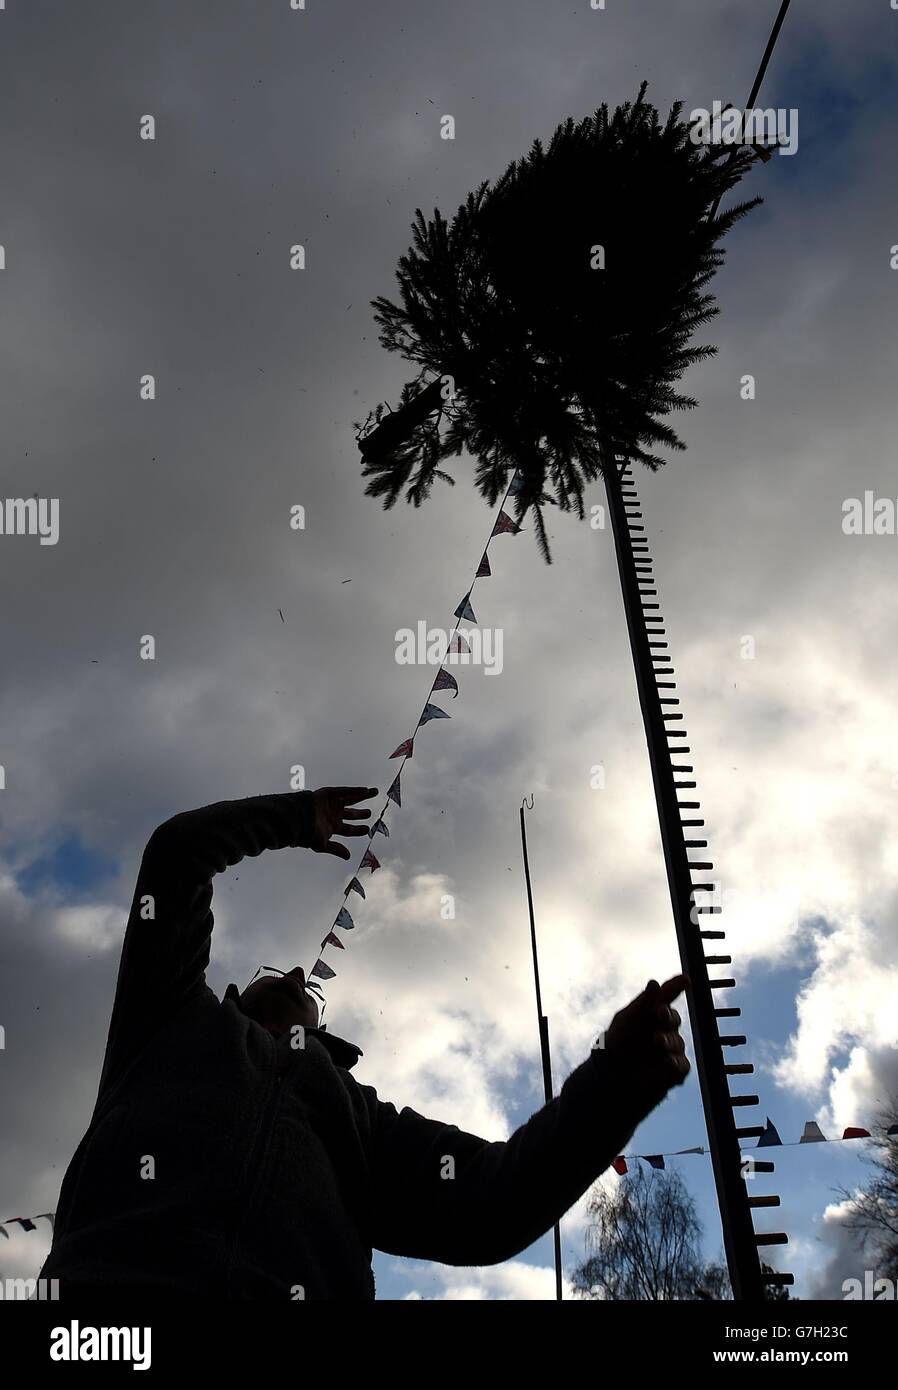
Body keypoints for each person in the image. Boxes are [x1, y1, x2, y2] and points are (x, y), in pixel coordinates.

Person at [40, 786, 690, 1300]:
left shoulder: (360, 1120)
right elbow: (178, 854)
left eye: (306, 988)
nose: (298, 973)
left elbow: (494, 1200)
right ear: (235, 996)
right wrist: (293, 818)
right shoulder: (170, 1018)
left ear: (322, 1034)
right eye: (279, 975)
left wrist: (614, 1081)